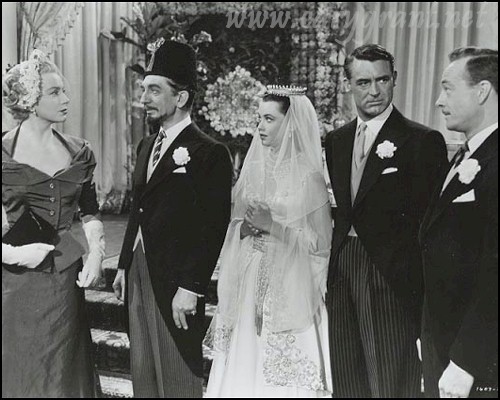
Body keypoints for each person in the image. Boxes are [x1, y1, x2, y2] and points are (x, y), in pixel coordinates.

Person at [324, 44, 448, 397]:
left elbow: (430, 225)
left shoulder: (422, 140)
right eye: (363, 82)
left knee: (389, 379)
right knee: (347, 375)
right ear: (348, 85)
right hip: (343, 267)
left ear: (394, 80)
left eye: (382, 80)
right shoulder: (337, 140)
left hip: (391, 275)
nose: (374, 91)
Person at [112, 39, 233, 398]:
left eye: (154, 90)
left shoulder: (210, 153)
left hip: (176, 279)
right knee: (143, 370)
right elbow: (138, 209)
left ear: (180, 97)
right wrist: (122, 265)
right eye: (144, 89)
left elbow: (214, 227)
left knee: (177, 373)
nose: (144, 98)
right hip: (139, 270)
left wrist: (192, 287)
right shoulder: (146, 146)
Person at [205, 85, 333, 398]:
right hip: (250, 281)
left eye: (269, 119)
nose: (260, 127)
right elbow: (236, 225)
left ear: (291, 123)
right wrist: (244, 229)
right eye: (259, 119)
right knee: (244, 361)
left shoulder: (310, 177)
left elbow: (321, 247)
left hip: (291, 288)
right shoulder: (253, 170)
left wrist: (273, 227)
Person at [2, 49, 105, 397]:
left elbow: (89, 211)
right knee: (19, 369)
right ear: (30, 101)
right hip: (15, 282)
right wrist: (14, 255)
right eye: (55, 92)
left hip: (64, 281)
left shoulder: (79, 151)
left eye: (64, 90)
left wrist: (96, 254)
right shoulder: (3, 152)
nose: (66, 99)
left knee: (63, 373)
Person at [419, 47, 498, 399]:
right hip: (444, 345)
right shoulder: (466, 154)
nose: (439, 101)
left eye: (448, 88)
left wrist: (466, 360)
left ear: (482, 91)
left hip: (476, 361)